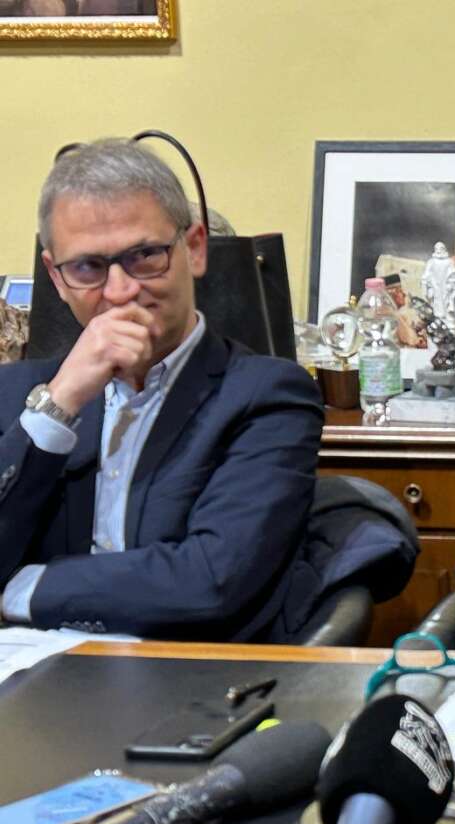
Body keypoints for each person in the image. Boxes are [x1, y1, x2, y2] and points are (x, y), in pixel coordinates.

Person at [0, 138, 323, 639]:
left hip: (180, 673)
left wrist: (26, 589)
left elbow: (211, 581)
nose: (120, 291)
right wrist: (59, 404)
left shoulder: (268, 396)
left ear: (194, 248)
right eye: (87, 267)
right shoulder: (16, 396)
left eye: (145, 255)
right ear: (56, 278)